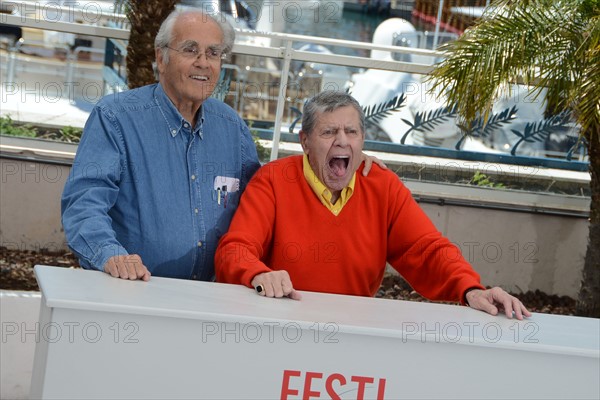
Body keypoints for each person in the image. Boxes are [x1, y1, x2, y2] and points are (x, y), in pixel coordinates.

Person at [62, 10, 381, 283]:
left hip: (213, 299)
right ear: (162, 58)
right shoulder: (116, 118)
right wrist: (111, 256)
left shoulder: (231, 127)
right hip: (134, 289)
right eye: (191, 50)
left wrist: (338, 156)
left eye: (213, 53)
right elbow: (84, 203)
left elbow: (268, 200)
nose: (204, 63)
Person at [215, 91, 532, 320]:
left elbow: (427, 249)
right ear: (305, 141)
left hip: (356, 332)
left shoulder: (382, 185)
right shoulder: (273, 180)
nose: (342, 141)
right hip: (279, 323)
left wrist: (470, 289)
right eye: (329, 132)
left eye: (351, 131)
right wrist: (258, 273)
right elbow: (235, 249)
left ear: (362, 140)